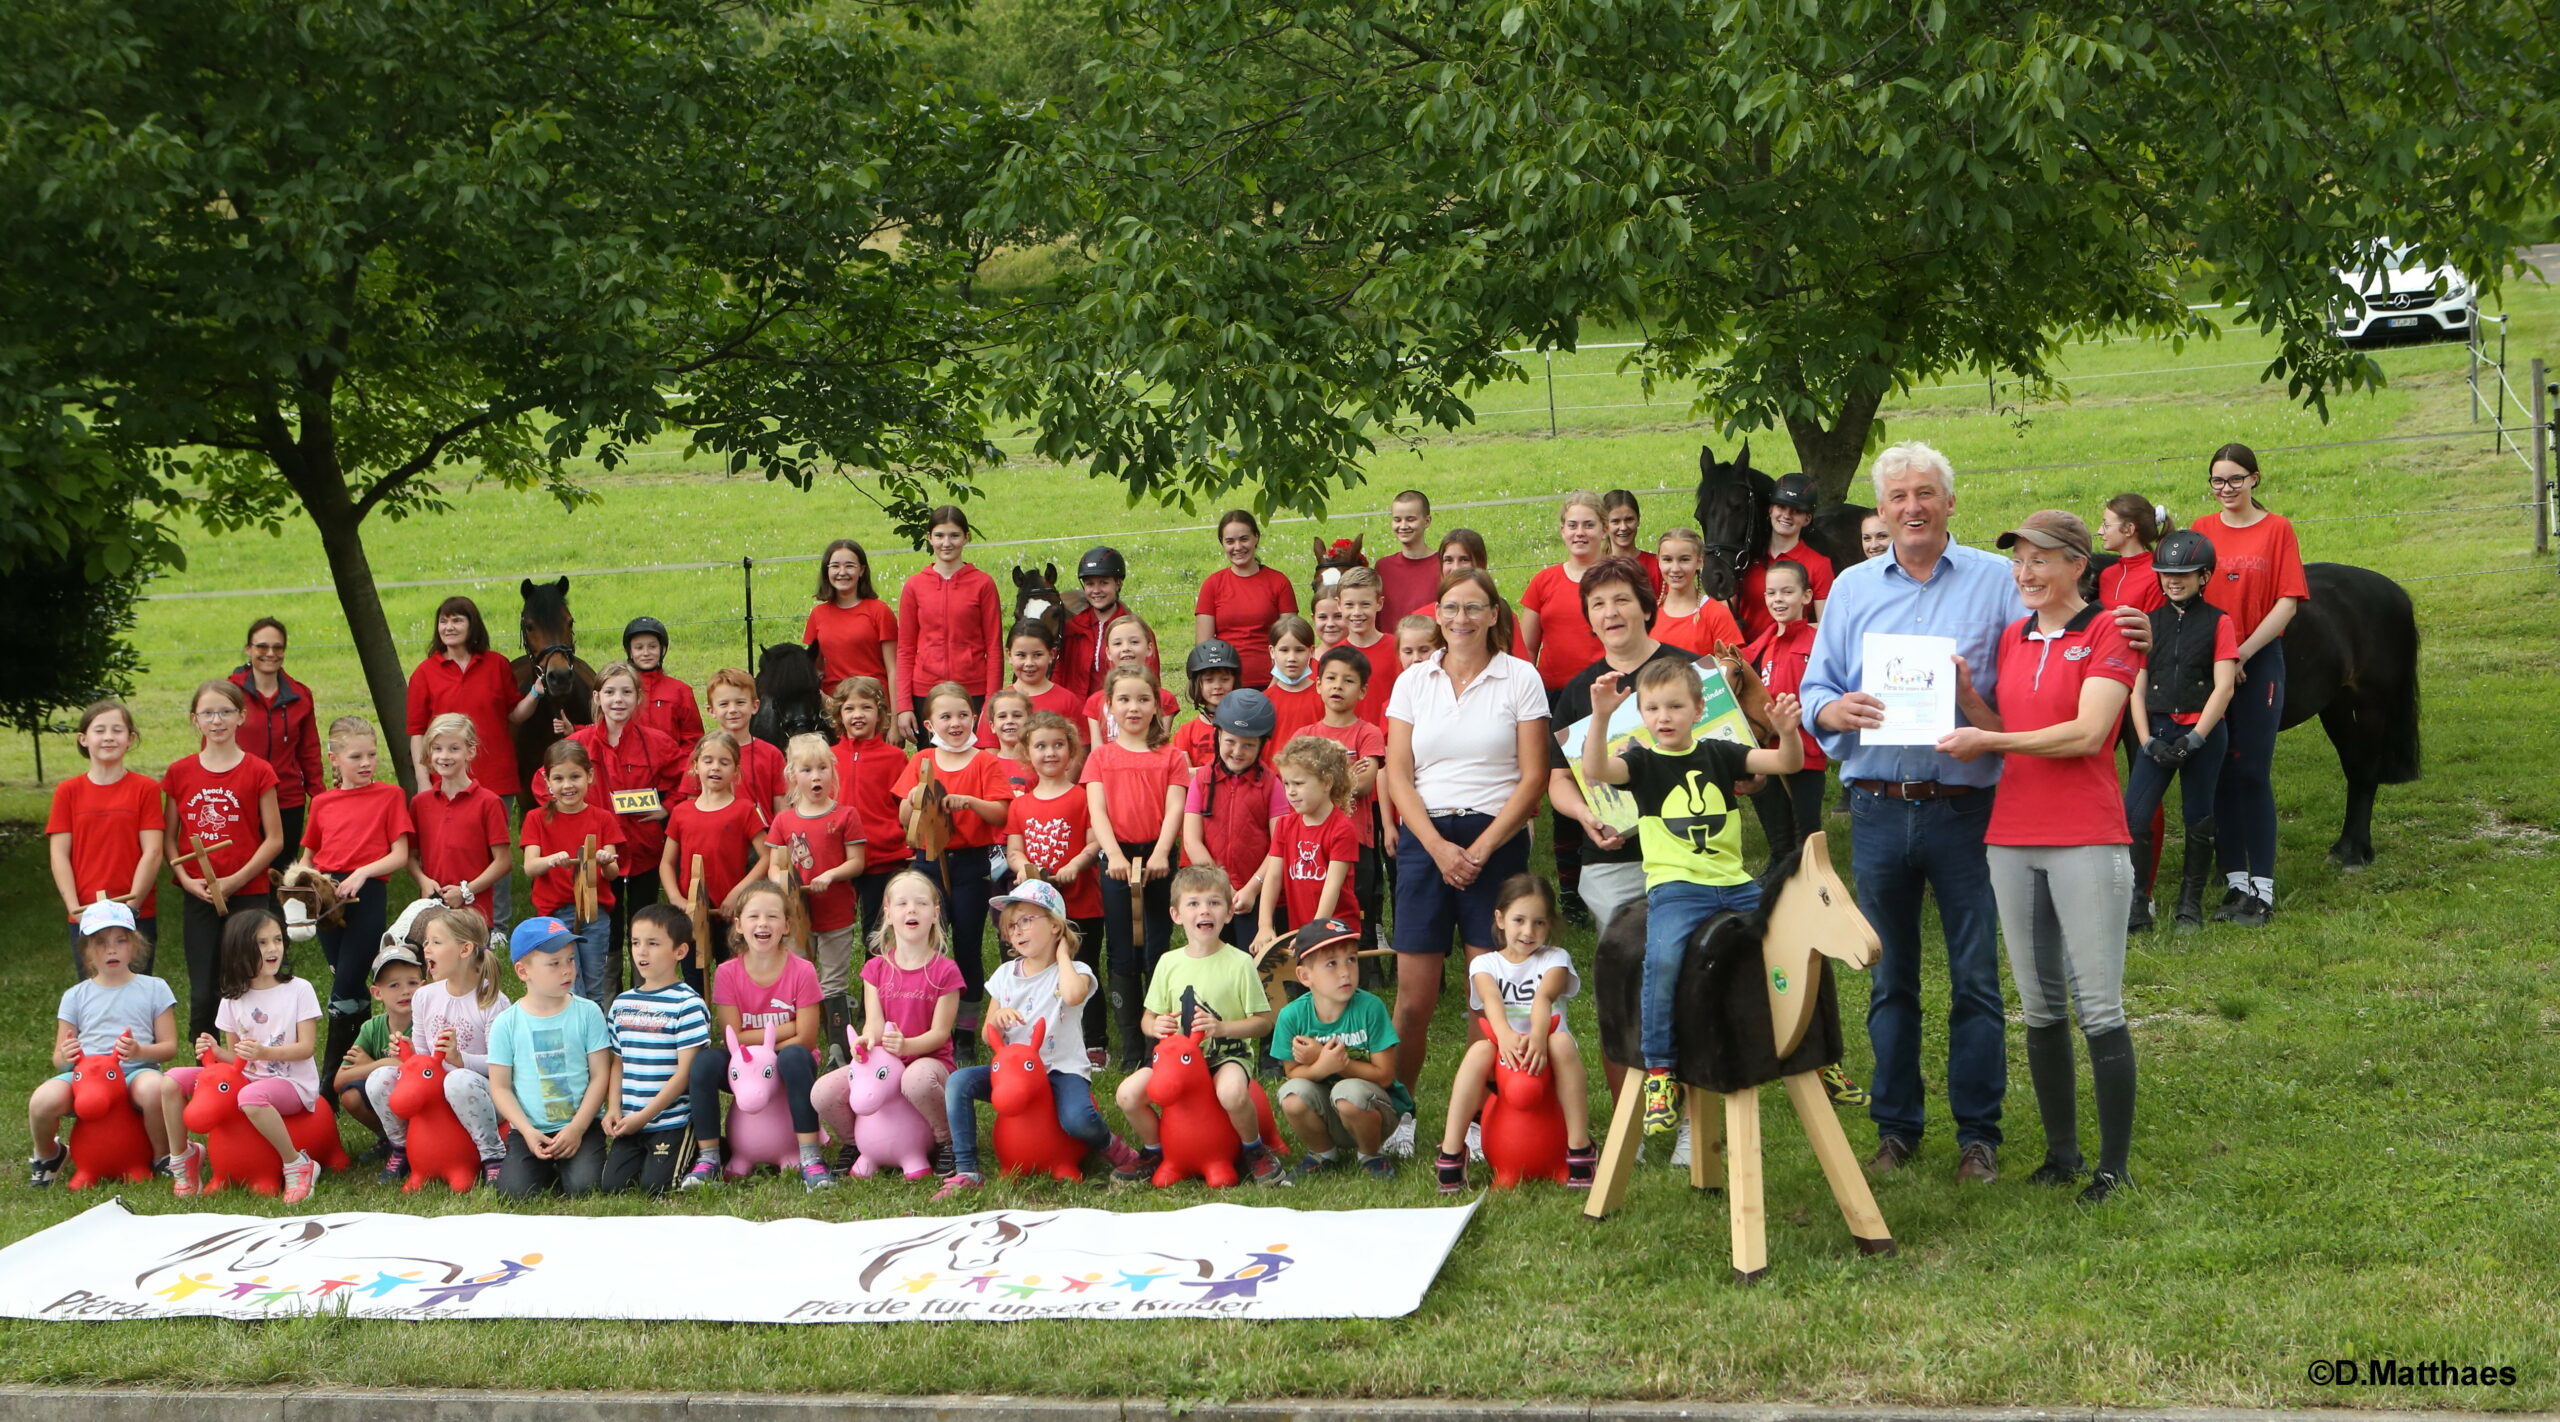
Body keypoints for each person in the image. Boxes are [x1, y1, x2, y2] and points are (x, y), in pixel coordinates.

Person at [1798, 440, 2153, 1184]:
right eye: (1897, 497)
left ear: (1950, 502)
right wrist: (1836, 709)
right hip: (1878, 807)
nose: (1913, 508)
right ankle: (1896, 1129)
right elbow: (1813, 693)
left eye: (1926, 493)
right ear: (1882, 509)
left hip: (1971, 812)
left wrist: (2136, 626)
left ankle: (1978, 1136)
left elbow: (2070, 615)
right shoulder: (1854, 589)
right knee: (1888, 975)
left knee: (1976, 978)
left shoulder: (2000, 581)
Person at [1937, 510, 2144, 1205]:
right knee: (2041, 1005)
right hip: (2012, 836)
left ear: (2078, 565)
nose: (2025, 573)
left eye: (2041, 560)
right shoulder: (2013, 635)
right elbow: (2010, 730)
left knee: (2098, 1005)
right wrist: (1969, 700)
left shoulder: (2109, 629)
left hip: (2086, 834)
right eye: (2019, 560)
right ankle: (2062, 1154)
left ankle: (2112, 1167)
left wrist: (1989, 744)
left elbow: (2087, 735)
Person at [1582, 658, 1803, 1135]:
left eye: (1676, 706)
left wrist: (1787, 731)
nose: (1664, 716)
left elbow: (1788, 763)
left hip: (1735, 882)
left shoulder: (1721, 753)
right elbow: (1596, 768)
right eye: (1653, 707)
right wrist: (1600, 717)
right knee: (1662, 961)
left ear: (1699, 709)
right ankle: (1661, 1071)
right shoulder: (1641, 763)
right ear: (1641, 713)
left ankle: (1806, 1050)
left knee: (1790, 948)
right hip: (1677, 888)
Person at [1381, 569, 1549, 1154]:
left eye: (1473, 608)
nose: (1461, 620)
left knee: (1490, 993)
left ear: (1494, 613)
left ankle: (1483, 1120)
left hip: (1494, 839)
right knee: (1413, 997)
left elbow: (1533, 780)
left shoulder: (1520, 678)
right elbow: (1398, 775)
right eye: (1451, 608)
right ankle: (1398, 1114)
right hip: (1427, 841)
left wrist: (1478, 850)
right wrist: (1435, 846)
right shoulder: (1412, 682)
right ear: (1438, 613)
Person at [937, 881, 1133, 1199]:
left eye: (1027, 920)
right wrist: (998, 1021)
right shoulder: (1005, 975)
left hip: (1059, 1070)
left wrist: (1063, 956)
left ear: (1055, 926)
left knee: (1079, 1120)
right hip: (1013, 1077)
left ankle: (1113, 1148)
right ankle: (966, 1169)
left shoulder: (1075, 971)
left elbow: (1072, 994)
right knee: (959, 1081)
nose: (1017, 931)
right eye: (1011, 925)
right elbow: (990, 1034)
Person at [2193, 442, 2309, 926]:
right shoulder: (2202, 530)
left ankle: (2262, 886)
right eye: (2218, 480)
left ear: (2255, 479)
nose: (2226, 489)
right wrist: (2218, 655)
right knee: (2218, 767)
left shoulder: (2277, 529)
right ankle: (2234, 882)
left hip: (2257, 660)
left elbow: (2288, 601)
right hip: (2211, 663)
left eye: (2235, 479)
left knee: (2252, 772)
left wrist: (2242, 652)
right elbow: (2185, 589)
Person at [1540, 556, 1686, 937]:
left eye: (1621, 600)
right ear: (1588, 618)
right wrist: (1585, 816)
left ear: (1646, 606)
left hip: (1690, 846)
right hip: (1615, 858)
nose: (1610, 613)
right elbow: (1558, 780)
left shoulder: (1689, 672)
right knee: (1630, 963)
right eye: (1598, 604)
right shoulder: (1578, 692)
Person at [1111, 867, 1283, 1184]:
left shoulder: (1240, 963)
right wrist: (1156, 1026)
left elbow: (1263, 1023)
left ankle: (1253, 1149)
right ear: (1176, 915)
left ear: (1229, 912)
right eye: (1193, 904)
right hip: (1175, 1062)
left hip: (1225, 1055)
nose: (1204, 910)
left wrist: (1222, 1028)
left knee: (1232, 1093)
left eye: (1214, 903)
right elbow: (1147, 1018)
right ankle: (1154, 1150)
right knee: (1127, 1094)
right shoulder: (1168, 963)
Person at [1432, 875, 1594, 1191]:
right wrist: (1504, 1035)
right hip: (1503, 1051)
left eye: (1539, 923)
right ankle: (1452, 1151)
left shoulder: (1555, 958)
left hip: (1545, 1047)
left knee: (1561, 1041)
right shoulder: (1484, 963)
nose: (1528, 931)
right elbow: (1490, 1000)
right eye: (1519, 920)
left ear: (1549, 926)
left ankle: (1579, 1148)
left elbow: (1544, 998)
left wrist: (1537, 1036)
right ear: (1500, 918)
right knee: (1478, 1050)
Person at [679, 879, 833, 1190]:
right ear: (738, 925)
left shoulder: (802, 970)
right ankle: (708, 1158)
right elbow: (732, 1036)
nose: (763, 923)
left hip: (789, 1064)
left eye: (773, 916)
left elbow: (806, 1038)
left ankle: (810, 1157)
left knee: (792, 1057)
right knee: (705, 1063)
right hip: (744, 1065)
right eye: (753, 916)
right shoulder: (727, 972)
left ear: (787, 926)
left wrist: (764, 1038)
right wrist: (785, 1027)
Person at [2125, 530, 2239, 934]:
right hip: (2156, 729)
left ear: (2204, 576)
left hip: (2201, 734)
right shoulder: (2149, 623)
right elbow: (2136, 685)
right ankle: (2138, 902)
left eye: (2185, 573)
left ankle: (2189, 903)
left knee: (2198, 818)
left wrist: (2196, 738)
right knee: (2134, 817)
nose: (2174, 580)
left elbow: (2224, 686)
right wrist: (2145, 740)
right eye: (2166, 573)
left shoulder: (2218, 622)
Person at [31, 901, 189, 1192]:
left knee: (155, 1090)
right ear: (88, 952)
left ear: (135, 944)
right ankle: (48, 1156)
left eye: (120, 940)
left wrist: (140, 1052)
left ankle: (162, 1156)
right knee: (42, 1101)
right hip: (87, 1078)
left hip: (134, 1071)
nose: (111, 949)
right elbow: (58, 1057)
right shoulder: (75, 996)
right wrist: (66, 1058)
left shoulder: (155, 988)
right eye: (101, 943)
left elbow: (169, 1047)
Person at [815, 869, 965, 1174]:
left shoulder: (945, 971)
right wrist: (866, 1041)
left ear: (935, 914)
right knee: (823, 1092)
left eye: (921, 903)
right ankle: (854, 1141)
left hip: (929, 1062)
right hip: (882, 1066)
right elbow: (873, 1024)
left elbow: (940, 1033)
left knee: (916, 1079)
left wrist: (908, 1045)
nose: (911, 909)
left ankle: (947, 1141)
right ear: (888, 913)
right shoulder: (876, 969)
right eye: (902, 903)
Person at [1082, 667, 1195, 1068]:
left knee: (1157, 945)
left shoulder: (1171, 757)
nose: (1134, 707)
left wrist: (1163, 852)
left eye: (1143, 699)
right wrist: (1112, 855)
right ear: (1109, 706)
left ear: (1157, 706)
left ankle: (1157, 1042)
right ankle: (1131, 1044)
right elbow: (1097, 809)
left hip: (1158, 856)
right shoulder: (1100, 757)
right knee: (1122, 947)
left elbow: (1175, 807)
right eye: (1125, 700)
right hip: (1115, 857)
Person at [172, 908, 324, 1204]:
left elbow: (306, 1048)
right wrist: (216, 1053)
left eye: (277, 940)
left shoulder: (299, 990)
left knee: (250, 1098)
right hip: (250, 1079)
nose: (273, 948)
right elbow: (238, 1061)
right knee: (171, 1081)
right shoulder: (232, 1000)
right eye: (262, 942)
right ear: (239, 950)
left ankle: (296, 1163)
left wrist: (265, 1052)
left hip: (291, 1082)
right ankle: (183, 1157)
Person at [543, 662, 685, 975]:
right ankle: (604, 995)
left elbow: (686, 782)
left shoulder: (657, 743)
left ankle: (643, 987)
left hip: (644, 850)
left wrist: (667, 807)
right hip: (597, 856)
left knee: (643, 922)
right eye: (609, 692)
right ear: (597, 697)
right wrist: (573, 814)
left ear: (638, 698)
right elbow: (543, 782)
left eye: (625, 692)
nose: (617, 699)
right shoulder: (579, 743)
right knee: (604, 927)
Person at [164, 680, 286, 1042]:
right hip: (198, 894)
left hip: (247, 893)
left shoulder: (258, 771)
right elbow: (170, 838)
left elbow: (275, 839)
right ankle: (205, 1066)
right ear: (195, 720)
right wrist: (186, 880)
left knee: (247, 978)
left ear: (241, 717)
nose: (216, 720)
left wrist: (235, 880)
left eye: (225, 712)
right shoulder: (179, 773)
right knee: (204, 988)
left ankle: (251, 1058)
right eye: (207, 713)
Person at [296, 715, 414, 1084]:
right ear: (334, 759)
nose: (366, 764)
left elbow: (399, 854)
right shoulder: (323, 803)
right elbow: (306, 857)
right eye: (356, 757)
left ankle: (331, 1082)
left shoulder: (389, 796)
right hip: (327, 904)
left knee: (344, 988)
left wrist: (362, 872)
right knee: (350, 991)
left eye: (371, 755)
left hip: (367, 896)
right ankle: (367, 1061)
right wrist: (310, 883)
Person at [894, 682, 1014, 1015]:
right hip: (928, 862)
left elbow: (1002, 812)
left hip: (971, 864)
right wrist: (917, 799)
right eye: (945, 716)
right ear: (930, 725)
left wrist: (971, 802)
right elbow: (905, 817)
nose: (955, 723)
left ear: (975, 719)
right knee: (924, 941)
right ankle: (922, 1013)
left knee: (966, 944)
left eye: (962, 715)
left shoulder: (985, 762)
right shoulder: (923, 759)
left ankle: (964, 1026)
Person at [370, 907, 511, 1185]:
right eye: (425, 942)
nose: (426, 950)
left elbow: (501, 1066)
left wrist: (461, 1060)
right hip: (432, 1094)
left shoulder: (493, 1001)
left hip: (481, 1094)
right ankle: (401, 1147)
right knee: (379, 1079)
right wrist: (409, 1055)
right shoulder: (424, 996)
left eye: (436, 942)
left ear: (465, 949)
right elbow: (423, 1057)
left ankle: (493, 1155)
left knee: (457, 1080)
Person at [487, 917, 615, 1199]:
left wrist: (577, 1128)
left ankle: (569, 1166)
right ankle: (547, 1166)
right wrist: (527, 1131)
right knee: (514, 1194)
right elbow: (500, 1086)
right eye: (554, 963)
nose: (567, 970)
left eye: (570, 960)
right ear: (523, 971)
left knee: (585, 1188)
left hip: (581, 1124)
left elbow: (600, 1075)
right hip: (531, 1129)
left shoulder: (588, 1012)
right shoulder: (506, 1023)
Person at [1268, 918, 1405, 1179]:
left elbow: (1385, 1075)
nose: (1345, 972)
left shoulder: (1370, 1007)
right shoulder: (1292, 1016)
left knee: (1347, 1091)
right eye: (1331, 964)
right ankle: (1323, 1153)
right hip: (1326, 1113)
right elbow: (1292, 1073)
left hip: (1372, 1111)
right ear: (1305, 976)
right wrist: (1321, 1067)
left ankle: (1371, 1154)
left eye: (1351, 960)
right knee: (1291, 1095)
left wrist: (1332, 1061)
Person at [1005, 712, 1106, 1057]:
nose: (1050, 753)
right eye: (1041, 746)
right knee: (1042, 974)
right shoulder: (1020, 805)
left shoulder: (1082, 797)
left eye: (1058, 745)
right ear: (1027, 753)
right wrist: (1023, 868)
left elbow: (1094, 843)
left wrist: (1075, 865)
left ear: (1072, 750)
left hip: (1082, 903)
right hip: (1038, 910)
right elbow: (1014, 851)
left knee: (1083, 969)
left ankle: (1094, 1041)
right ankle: (1043, 1035)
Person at [601, 903, 711, 1194]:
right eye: (635, 943)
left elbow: (686, 1073)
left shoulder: (687, 1004)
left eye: (652, 943)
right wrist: (614, 1109)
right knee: (613, 1186)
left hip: (671, 1120)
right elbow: (618, 1063)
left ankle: (710, 1153)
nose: (641, 952)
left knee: (657, 1188)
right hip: (630, 1120)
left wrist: (645, 1116)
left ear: (680, 952)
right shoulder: (622, 1004)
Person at [46, 700, 161, 976]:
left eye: (117, 730)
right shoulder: (67, 791)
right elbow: (59, 854)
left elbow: (153, 852)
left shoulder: (146, 789)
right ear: (83, 739)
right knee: (94, 997)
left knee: (136, 997)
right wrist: (75, 908)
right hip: (85, 913)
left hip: (136, 912)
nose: (109, 736)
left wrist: (130, 908)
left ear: (130, 738)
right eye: (100, 730)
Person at [766, 733, 868, 1023]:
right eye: (806, 770)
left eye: (822, 768)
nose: (815, 777)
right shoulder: (784, 820)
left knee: (833, 979)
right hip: (796, 914)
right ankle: (799, 1034)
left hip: (835, 912)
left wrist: (831, 875)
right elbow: (774, 865)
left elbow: (856, 863)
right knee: (796, 972)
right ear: (792, 775)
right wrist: (783, 885)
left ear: (833, 771)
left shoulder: (846, 815)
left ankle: (837, 1043)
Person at [659, 731, 769, 988]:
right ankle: (699, 1024)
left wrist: (738, 893)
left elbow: (767, 856)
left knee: (732, 974)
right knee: (694, 977)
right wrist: (676, 899)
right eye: (708, 760)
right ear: (695, 766)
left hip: (728, 911)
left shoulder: (744, 810)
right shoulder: (681, 812)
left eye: (724, 762)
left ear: (736, 771)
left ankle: (733, 1024)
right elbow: (666, 863)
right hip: (691, 912)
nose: (715, 768)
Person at [522, 740, 623, 1005]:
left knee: (594, 982)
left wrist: (604, 860)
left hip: (594, 912)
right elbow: (530, 867)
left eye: (575, 777)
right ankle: (575, 1036)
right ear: (548, 782)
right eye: (559, 778)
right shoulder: (536, 818)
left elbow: (613, 872)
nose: (567, 785)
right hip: (555, 914)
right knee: (568, 982)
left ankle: (598, 1038)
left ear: (589, 776)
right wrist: (551, 860)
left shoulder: (602, 818)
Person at [1180, 691, 1280, 954]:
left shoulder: (1272, 785)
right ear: (1218, 736)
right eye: (1231, 742)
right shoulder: (1201, 779)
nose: (1237, 751)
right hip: (1210, 895)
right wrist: (1222, 887)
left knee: (1253, 964)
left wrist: (1251, 888)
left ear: (1261, 745)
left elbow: (1279, 845)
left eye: (1248, 745)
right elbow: (1191, 840)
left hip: (1253, 894)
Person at [404, 596, 532, 798]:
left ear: (472, 625)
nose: (449, 627)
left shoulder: (497, 665)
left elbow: (515, 715)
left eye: (457, 620)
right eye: (443, 621)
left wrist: (536, 692)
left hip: (496, 780)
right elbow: (417, 733)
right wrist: (423, 781)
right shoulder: (423, 673)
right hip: (446, 782)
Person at [1304, 647, 1388, 955]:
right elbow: (1298, 790)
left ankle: (1365, 965)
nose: (1338, 686)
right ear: (1318, 684)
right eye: (1331, 678)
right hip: (1313, 841)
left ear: (1363, 690)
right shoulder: (1306, 736)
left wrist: (1319, 781)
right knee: (1318, 903)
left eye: (1348, 681)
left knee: (1357, 906)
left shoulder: (1369, 733)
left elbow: (1365, 785)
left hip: (1356, 841)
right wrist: (1346, 775)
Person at [1743, 561, 1829, 855]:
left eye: (1786, 592)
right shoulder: (1761, 646)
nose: (1777, 599)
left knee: (1806, 834)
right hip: (1769, 753)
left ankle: (1814, 886)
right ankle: (1780, 873)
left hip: (1806, 754)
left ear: (1806, 596)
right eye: (1771, 593)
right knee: (1778, 835)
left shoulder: (1819, 643)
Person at [895, 506, 1002, 740]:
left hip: (972, 692)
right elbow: (904, 649)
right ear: (929, 537)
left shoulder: (983, 584)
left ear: (966, 537)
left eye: (954, 535)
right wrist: (903, 705)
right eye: (940, 535)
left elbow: (994, 648)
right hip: (925, 692)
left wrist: (992, 702)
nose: (946, 543)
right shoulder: (914, 586)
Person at [1254, 735, 1361, 949]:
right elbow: (1273, 877)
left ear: (1327, 783)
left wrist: (1317, 931)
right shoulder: (1285, 825)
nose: (1290, 791)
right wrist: (1264, 925)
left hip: (1334, 929)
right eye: (1286, 783)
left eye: (1299, 783)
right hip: (1301, 930)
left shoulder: (1341, 829)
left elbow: (1333, 885)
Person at [827, 679, 912, 946]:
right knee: (834, 933)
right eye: (850, 708)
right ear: (839, 714)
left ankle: (875, 988)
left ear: (880, 713)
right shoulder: (827, 757)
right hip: (837, 860)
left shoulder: (894, 757)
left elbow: (904, 809)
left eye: (866, 707)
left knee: (877, 935)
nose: (858, 715)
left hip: (883, 858)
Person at [231, 617, 324, 863]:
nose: (270, 653)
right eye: (262, 647)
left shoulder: (300, 696)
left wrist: (319, 797)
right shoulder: (229, 693)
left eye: (277, 647)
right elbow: (212, 743)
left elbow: (309, 751)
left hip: (287, 799)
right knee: (241, 871)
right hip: (240, 798)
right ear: (248, 649)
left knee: (281, 875)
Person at [408, 713, 511, 931]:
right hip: (432, 911)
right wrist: (423, 881)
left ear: (470, 751)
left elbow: (503, 861)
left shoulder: (489, 802)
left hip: (474, 914)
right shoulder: (420, 804)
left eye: (454, 748)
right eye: (437, 748)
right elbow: (410, 857)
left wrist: (466, 891)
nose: (444, 756)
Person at [333, 943, 426, 1157]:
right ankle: (390, 1138)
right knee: (351, 1097)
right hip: (387, 1098)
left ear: (423, 987)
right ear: (376, 993)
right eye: (394, 985)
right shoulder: (371, 1028)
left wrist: (367, 1066)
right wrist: (380, 1064)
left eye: (412, 983)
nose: (405, 991)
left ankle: (420, 1138)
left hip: (422, 1102)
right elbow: (339, 1081)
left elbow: (424, 1073)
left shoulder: (426, 1023)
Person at [1516, 490, 1610, 692]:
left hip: (1606, 693)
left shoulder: (1620, 580)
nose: (1580, 532)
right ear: (1562, 530)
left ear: (1604, 530)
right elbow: (1527, 649)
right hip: (1553, 696)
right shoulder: (1543, 581)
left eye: (1589, 525)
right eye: (1572, 525)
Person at [1195, 510, 1299, 689]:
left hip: (1274, 683)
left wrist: (1277, 684)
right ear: (1222, 543)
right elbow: (1204, 648)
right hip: (1226, 686)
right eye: (1230, 541)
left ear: (1256, 537)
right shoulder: (1212, 585)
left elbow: (1291, 639)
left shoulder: (1279, 582)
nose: (1237, 547)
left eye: (1244, 539)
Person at [1736, 473, 1835, 643]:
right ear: (1770, 510)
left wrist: (1781, 638)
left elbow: (1827, 626)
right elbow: (1723, 609)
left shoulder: (1819, 564)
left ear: (1807, 519)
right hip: (1746, 653)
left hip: (1790, 654)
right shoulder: (1745, 559)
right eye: (1781, 507)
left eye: (1796, 511)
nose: (1787, 515)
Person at [804, 538, 898, 701]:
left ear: (861, 570)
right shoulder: (817, 615)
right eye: (835, 566)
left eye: (849, 566)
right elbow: (813, 669)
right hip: (834, 707)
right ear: (827, 571)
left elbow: (894, 670)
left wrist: (895, 722)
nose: (842, 572)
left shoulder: (879, 611)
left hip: (875, 706)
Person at [684, 668, 787, 816]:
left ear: (755, 706)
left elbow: (782, 810)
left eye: (740, 702)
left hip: (762, 836)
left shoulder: (771, 754)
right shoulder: (702, 754)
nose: (732, 710)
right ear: (711, 710)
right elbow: (691, 806)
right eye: (724, 704)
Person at [1058, 546, 1150, 704]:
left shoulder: (1136, 630)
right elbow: (1057, 673)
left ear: (1118, 583)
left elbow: (1150, 677)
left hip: (1120, 714)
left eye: (1103, 583)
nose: (1096, 590)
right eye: (1090, 584)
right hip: (1077, 717)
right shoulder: (1072, 628)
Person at [1080, 614, 1179, 750]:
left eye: (1134, 642)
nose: (1126, 648)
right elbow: (1097, 752)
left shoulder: (1164, 699)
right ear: (1108, 652)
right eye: (1117, 643)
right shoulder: (1095, 702)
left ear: (1149, 648)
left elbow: (1160, 748)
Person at [1650, 529, 1745, 656]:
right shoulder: (1648, 614)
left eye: (1684, 560)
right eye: (1667, 559)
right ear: (1659, 561)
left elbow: (1735, 665)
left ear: (1699, 561)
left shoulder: (1716, 614)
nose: (1675, 569)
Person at [621, 616, 704, 755]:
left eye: (652, 646)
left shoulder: (681, 691)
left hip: (670, 770)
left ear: (663, 649)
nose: (646, 653)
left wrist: (678, 766)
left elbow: (693, 739)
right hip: (630, 770)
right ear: (630, 651)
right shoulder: (619, 690)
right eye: (639, 647)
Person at [1331, 567, 1399, 724]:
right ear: (1339, 605)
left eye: (1365, 604)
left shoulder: (1398, 649)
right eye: (1349, 605)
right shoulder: (1334, 656)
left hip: (1389, 742)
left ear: (1379, 603)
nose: (1357, 612)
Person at [1168, 639, 1244, 770]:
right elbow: (1178, 774)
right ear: (1197, 685)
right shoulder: (1186, 733)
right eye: (1209, 680)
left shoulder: (1246, 725)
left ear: (1234, 682)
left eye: (1224, 679)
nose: (1217, 686)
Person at [1376, 489, 1442, 620]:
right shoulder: (1383, 567)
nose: (1403, 526)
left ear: (1427, 521)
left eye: (1410, 519)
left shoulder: (1443, 565)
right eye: (1397, 520)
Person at [2097, 495, 2167, 614]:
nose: (2100, 531)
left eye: (2106, 525)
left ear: (2129, 529)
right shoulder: (2107, 575)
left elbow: (2154, 627)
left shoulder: (2156, 576)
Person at [997, 621, 1079, 724]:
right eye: (1021, 655)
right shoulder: (999, 702)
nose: (1029, 663)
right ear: (1009, 655)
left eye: (1038, 655)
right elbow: (986, 740)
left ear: (1051, 654)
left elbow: (1080, 739)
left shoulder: (1068, 701)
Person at [1263, 615, 1324, 746]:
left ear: (1311, 651)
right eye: (1284, 650)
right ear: (1272, 652)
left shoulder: (1324, 698)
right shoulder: (1263, 702)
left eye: (1299, 650)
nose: (1292, 658)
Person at [1600, 489, 1663, 589]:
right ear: (1605, 525)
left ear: (1638, 519)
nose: (1623, 527)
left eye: (1629, 519)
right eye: (1615, 521)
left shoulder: (1658, 566)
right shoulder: (1596, 569)